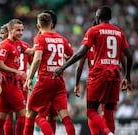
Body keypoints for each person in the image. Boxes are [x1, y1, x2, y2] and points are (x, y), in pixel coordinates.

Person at [54, 6, 133, 135]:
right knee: (108, 113)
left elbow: (80, 57)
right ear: (110, 18)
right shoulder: (120, 32)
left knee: (91, 111)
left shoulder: (93, 32)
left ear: (97, 18)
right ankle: (109, 132)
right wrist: (127, 77)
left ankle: (107, 133)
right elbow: (128, 57)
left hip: (98, 75)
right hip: (115, 75)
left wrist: (63, 67)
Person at [23, 12, 75, 135]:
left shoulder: (40, 38)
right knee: (64, 115)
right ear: (52, 24)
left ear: (38, 25)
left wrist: (29, 77)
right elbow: (72, 55)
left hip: (45, 80)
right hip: (59, 81)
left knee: (31, 113)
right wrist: (62, 59)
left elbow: (37, 58)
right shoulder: (62, 39)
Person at [0, 19, 34, 135]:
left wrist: (42, 42)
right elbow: (0, 65)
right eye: (18, 30)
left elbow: (30, 52)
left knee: (2, 116)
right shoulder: (5, 45)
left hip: (9, 83)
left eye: (22, 30)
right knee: (22, 113)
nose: (21, 33)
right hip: (9, 83)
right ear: (10, 31)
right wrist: (17, 72)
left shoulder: (18, 43)